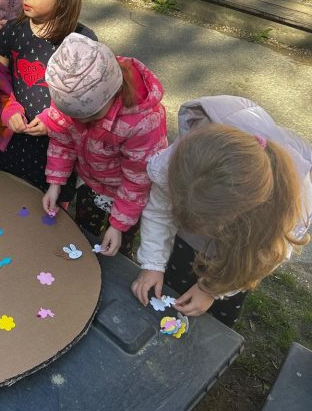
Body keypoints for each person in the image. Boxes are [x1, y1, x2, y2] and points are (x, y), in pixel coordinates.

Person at [131, 96, 311, 326]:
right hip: (197, 243)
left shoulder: (286, 209)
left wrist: (211, 290)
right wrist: (153, 265)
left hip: (240, 261)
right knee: (176, 282)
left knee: (213, 321)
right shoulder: (191, 159)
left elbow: (259, 261)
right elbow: (159, 210)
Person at [0, 0, 96, 196]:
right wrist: (7, 109)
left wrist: (53, 120)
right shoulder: (14, 30)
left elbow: (85, 100)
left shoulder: (82, 41)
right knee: (0, 196)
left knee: (45, 212)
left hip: (55, 150)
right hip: (10, 137)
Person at [40, 33, 168, 257]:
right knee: (84, 235)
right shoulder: (69, 94)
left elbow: (138, 180)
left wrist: (118, 225)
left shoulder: (143, 122)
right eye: (76, 116)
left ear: (113, 91)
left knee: (116, 247)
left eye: (92, 115)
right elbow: (62, 140)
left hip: (126, 193)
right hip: (90, 181)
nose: (82, 121)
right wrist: (55, 183)